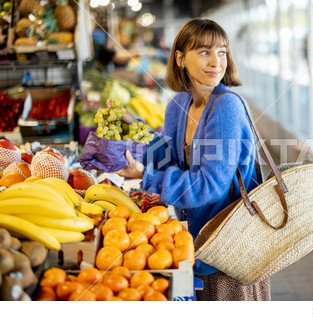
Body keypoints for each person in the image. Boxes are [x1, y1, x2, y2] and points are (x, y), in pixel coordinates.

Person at [113, 18, 271, 301]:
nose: (216, 62)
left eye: (221, 52)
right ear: (180, 58)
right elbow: (170, 156)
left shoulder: (226, 108)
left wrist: (146, 175)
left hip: (229, 251)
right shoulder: (178, 104)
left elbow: (209, 185)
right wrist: (133, 126)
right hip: (193, 244)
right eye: (204, 52)